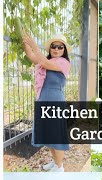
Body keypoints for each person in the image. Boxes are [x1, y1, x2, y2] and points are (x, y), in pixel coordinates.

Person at [22, 30, 72, 172]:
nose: (56, 49)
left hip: (55, 100)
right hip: (44, 98)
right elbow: (32, 57)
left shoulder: (64, 63)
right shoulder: (48, 61)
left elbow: (42, 61)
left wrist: (34, 44)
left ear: (65, 50)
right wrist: (25, 43)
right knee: (48, 133)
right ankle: (55, 163)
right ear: (50, 48)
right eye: (53, 46)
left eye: (60, 47)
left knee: (56, 134)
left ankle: (60, 168)